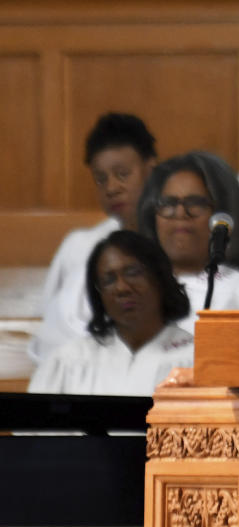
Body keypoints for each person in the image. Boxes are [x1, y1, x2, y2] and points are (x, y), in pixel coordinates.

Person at [30, 113, 158, 362]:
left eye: (122, 174)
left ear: (150, 170)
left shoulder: (176, 244)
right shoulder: (79, 246)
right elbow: (50, 322)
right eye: (101, 179)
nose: (111, 188)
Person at [29, 230, 194, 396]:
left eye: (132, 273)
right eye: (108, 280)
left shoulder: (193, 357)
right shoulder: (70, 360)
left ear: (160, 278)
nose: (121, 288)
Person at [138, 151, 239, 333]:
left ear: (223, 216)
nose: (180, 213)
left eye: (195, 203)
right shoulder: (132, 286)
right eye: (169, 203)